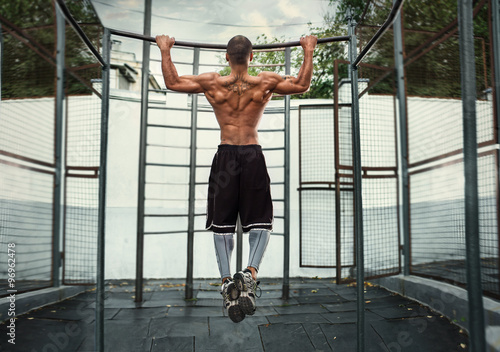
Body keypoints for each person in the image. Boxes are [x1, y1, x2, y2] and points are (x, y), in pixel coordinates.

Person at [156, 34, 317, 323]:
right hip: (253, 155)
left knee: (222, 224)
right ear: (252, 57)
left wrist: (165, 49)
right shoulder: (265, 82)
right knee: (261, 220)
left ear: (227, 58)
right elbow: (302, 85)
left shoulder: (213, 82)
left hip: (226, 156)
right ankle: (250, 273)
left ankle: (226, 281)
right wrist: (308, 49)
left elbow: (173, 82)